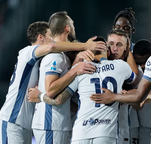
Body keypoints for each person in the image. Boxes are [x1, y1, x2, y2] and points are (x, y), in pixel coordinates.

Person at [0, 20, 105, 144]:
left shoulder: (41, 61)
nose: (54, 40)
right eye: (51, 36)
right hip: (13, 119)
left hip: (25, 123)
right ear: (40, 37)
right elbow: (52, 46)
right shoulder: (28, 52)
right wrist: (85, 46)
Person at [28, 36, 138, 144]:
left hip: (81, 133)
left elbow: (58, 101)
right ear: (108, 52)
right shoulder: (121, 66)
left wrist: (39, 96)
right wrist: (127, 51)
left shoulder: (80, 70)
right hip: (105, 133)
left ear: (87, 52)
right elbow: (136, 80)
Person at [30, 11, 105, 144]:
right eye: (73, 24)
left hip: (57, 124)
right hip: (51, 124)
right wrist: (75, 70)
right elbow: (51, 90)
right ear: (67, 28)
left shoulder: (62, 55)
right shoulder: (54, 57)